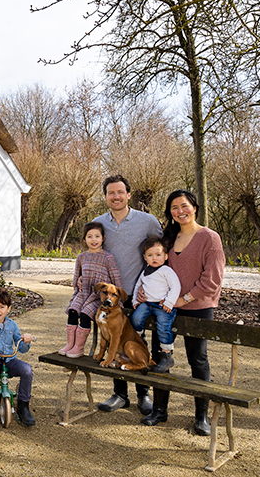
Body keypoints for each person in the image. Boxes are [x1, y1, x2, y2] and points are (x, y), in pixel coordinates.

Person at [140, 190, 225, 435]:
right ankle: (159, 409)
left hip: (198, 308)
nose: (180, 211)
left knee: (197, 359)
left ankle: (201, 417)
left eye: (184, 206)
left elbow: (213, 280)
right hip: (165, 308)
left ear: (194, 207)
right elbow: (154, 269)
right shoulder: (168, 239)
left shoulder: (209, 238)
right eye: (174, 208)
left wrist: (183, 299)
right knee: (159, 356)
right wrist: (146, 292)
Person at [93, 174, 163, 415]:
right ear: (105, 197)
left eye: (120, 192)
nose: (116, 196)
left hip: (138, 297)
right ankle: (120, 395)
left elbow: (161, 253)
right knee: (115, 342)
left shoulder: (147, 221)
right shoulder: (98, 224)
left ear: (129, 195)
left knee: (137, 342)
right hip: (110, 299)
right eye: (111, 193)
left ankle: (144, 394)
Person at [59, 222, 123, 358]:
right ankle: (70, 344)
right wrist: (76, 293)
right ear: (84, 239)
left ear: (103, 238)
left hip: (97, 298)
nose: (93, 240)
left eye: (97, 236)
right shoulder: (81, 257)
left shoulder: (108, 257)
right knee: (72, 311)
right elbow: (77, 278)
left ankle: (79, 347)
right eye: (89, 236)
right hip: (83, 293)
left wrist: (119, 301)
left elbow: (116, 279)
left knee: (84, 315)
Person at [0, 286, 36, 426]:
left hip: (9, 361)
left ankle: (23, 405)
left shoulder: (12, 325)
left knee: (27, 370)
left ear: (8, 309)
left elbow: (21, 348)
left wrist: (25, 340)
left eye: (2, 307)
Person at [130, 235, 181, 373]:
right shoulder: (145, 271)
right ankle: (140, 343)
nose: (154, 258)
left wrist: (169, 302)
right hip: (147, 303)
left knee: (163, 326)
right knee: (136, 318)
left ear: (165, 256)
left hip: (162, 305)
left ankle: (166, 356)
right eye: (150, 255)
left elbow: (175, 287)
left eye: (158, 255)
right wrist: (135, 301)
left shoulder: (166, 271)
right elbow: (137, 286)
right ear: (145, 257)